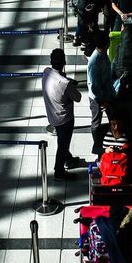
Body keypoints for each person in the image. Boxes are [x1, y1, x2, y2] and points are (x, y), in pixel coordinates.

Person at [42, 48, 83, 180]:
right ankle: (58, 171)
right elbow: (78, 97)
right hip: (65, 119)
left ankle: (69, 159)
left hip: (52, 115)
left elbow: (58, 79)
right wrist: (71, 85)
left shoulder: (46, 72)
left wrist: (69, 82)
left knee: (62, 141)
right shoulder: (65, 84)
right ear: (64, 62)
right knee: (63, 144)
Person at [87, 30, 117, 152]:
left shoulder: (103, 55)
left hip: (107, 94)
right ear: (106, 44)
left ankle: (115, 139)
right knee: (96, 122)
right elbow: (94, 86)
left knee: (114, 118)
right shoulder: (94, 62)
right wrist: (103, 100)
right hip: (98, 98)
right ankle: (97, 147)